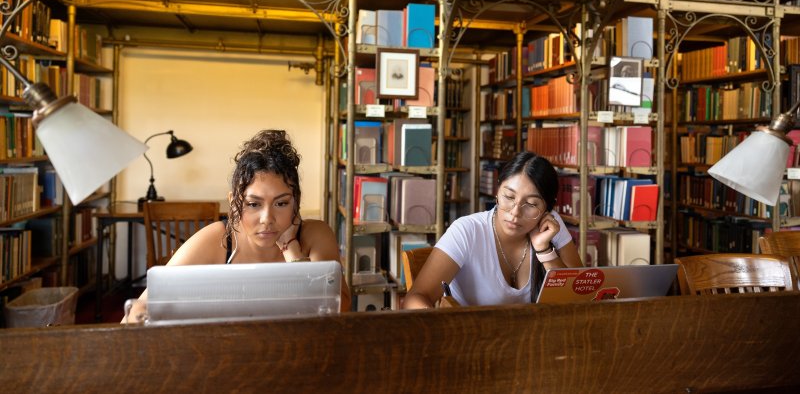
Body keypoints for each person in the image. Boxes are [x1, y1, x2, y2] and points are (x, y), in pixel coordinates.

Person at [123, 129, 351, 323]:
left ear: (296, 202)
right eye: (253, 204)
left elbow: (340, 308)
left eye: (281, 203)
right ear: (234, 203)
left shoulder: (315, 235)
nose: (267, 218)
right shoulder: (217, 239)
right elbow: (140, 307)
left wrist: (291, 247)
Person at [403, 151, 583, 308]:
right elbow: (415, 298)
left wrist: (545, 251)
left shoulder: (550, 227)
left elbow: (580, 297)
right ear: (497, 191)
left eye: (530, 204)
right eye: (509, 196)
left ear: (547, 209)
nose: (515, 212)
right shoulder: (467, 230)